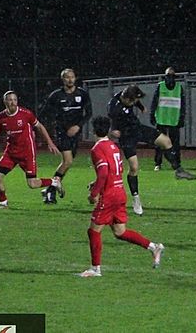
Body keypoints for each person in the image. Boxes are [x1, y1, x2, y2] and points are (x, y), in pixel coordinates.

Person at [80, 115, 165, 277]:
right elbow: (114, 170)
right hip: (120, 192)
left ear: (93, 130)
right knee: (120, 232)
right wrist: (96, 182)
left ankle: (95, 269)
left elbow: (104, 172)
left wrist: (94, 193)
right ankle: (154, 247)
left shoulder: (97, 149)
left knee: (93, 231)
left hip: (109, 195)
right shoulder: (113, 146)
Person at [108, 85, 194, 217]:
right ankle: (136, 199)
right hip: (126, 136)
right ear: (126, 99)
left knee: (166, 141)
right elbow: (111, 122)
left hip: (137, 128)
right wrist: (113, 131)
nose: (134, 102)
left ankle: (178, 170)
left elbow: (136, 101)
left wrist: (141, 107)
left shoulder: (128, 96)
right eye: (133, 101)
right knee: (134, 168)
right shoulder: (114, 107)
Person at [0, 90, 62, 208]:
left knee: (32, 184)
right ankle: (3, 204)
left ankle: (54, 182)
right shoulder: (0, 118)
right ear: (5, 102)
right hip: (11, 153)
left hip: (27, 153)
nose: (13, 102)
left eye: (15, 100)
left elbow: (39, 126)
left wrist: (50, 143)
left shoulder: (26, 114)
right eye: (10, 100)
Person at [38, 68, 92, 204]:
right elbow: (44, 113)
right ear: (63, 79)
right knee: (67, 161)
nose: (70, 79)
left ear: (75, 78)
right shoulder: (56, 95)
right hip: (62, 132)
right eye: (67, 77)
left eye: (72, 77)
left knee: (67, 163)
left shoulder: (82, 94)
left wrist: (78, 126)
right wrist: (52, 125)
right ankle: (51, 191)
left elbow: (89, 113)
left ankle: (50, 188)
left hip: (76, 133)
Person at [149, 66, 196, 179]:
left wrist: (182, 118)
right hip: (161, 119)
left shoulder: (179, 88)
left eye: (171, 76)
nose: (170, 78)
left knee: (175, 144)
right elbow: (154, 101)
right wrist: (152, 115)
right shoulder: (160, 86)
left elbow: (183, 105)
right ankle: (158, 163)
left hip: (174, 120)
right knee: (159, 143)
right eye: (168, 76)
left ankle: (176, 163)